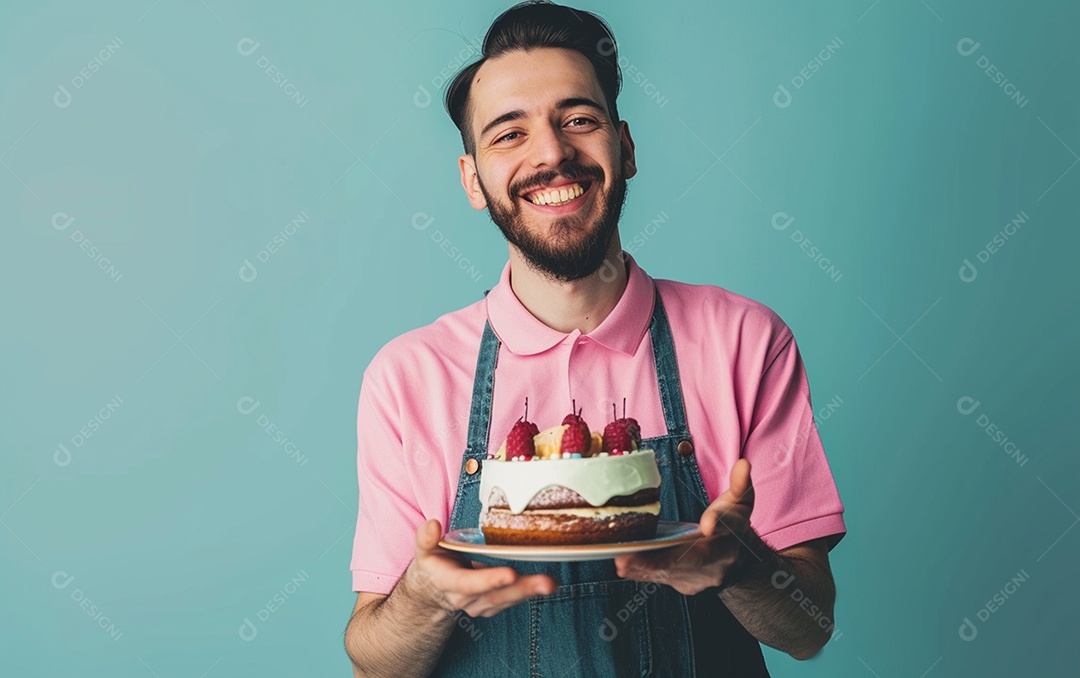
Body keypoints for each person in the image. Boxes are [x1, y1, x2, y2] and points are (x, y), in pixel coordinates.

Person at [344, 2, 846, 675]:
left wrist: (740, 566)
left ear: (626, 147)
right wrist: (424, 596)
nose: (552, 154)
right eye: (509, 134)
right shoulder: (409, 376)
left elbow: (809, 629)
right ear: (472, 179)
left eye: (578, 120)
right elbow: (375, 662)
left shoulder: (745, 341)